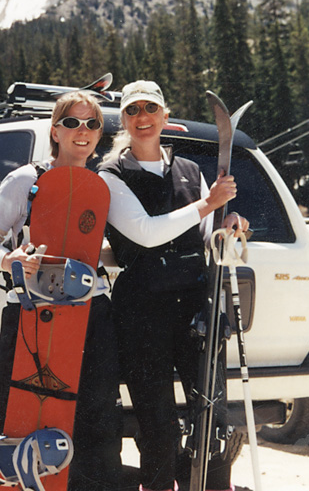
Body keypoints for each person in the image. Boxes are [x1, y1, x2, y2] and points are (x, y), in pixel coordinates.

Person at [98, 80, 249, 491]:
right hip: (142, 310)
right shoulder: (111, 176)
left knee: (211, 411)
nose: (142, 117)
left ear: (165, 115)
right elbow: (146, 233)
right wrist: (209, 204)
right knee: (157, 418)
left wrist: (228, 225)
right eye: (133, 110)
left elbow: (206, 235)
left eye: (150, 108)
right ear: (124, 120)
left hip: (194, 305)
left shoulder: (189, 170)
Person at [0, 90, 122, 491]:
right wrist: (10, 259)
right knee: (16, 417)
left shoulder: (104, 185)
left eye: (92, 123)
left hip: (90, 314)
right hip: (30, 314)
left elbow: (107, 247)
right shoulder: (27, 179)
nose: (83, 131)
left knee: (98, 420)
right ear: (55, 130)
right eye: (72, 122)